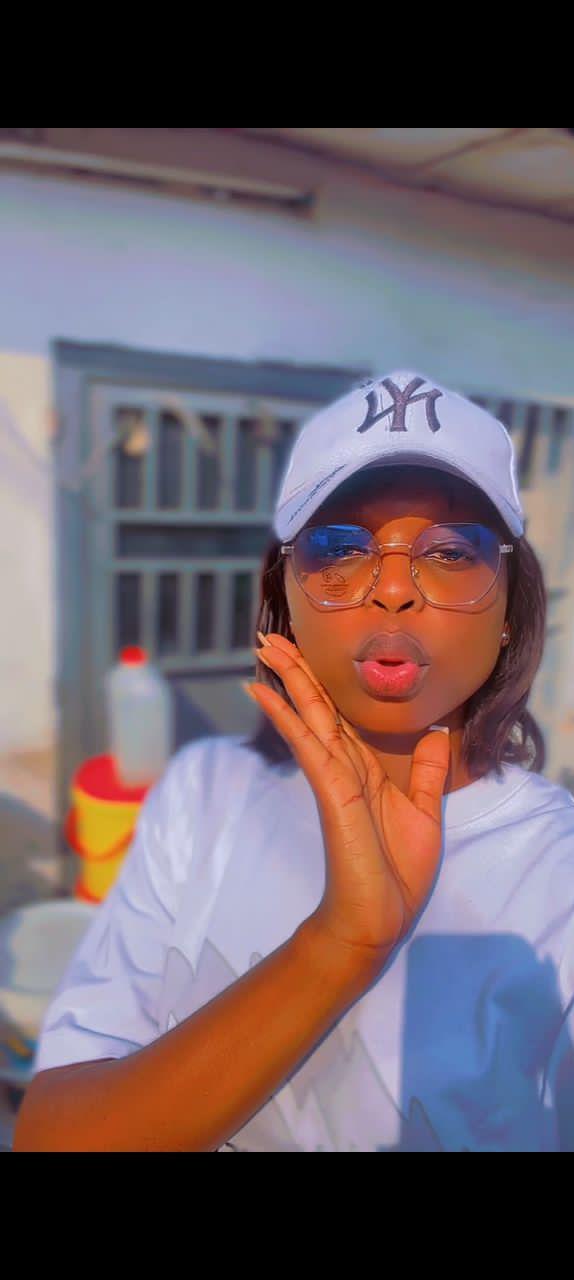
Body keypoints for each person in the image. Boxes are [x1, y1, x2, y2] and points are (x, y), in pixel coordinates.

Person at [13, 369, 574, 1152]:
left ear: (512, 608)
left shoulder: (557, 870)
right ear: (285, 598)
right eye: (340, 547)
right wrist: (341, 944)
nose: (392, 591)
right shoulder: (206, 790)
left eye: (451, 551)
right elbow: (54, 1137)